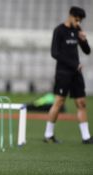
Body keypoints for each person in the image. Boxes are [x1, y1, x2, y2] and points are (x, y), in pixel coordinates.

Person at [44, 6, 92, 144]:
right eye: (77, 19)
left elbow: (87, 51)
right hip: (63, 73)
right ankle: (48, 135)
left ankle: (86, 137)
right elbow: (55, 53)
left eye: (80, 21)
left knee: (81, 103)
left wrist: (83, 40)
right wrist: (74, 65)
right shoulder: (59, 31)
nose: (78, 23)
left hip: (76, 74)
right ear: (70, 15)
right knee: (59, 102)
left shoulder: (77, 31)